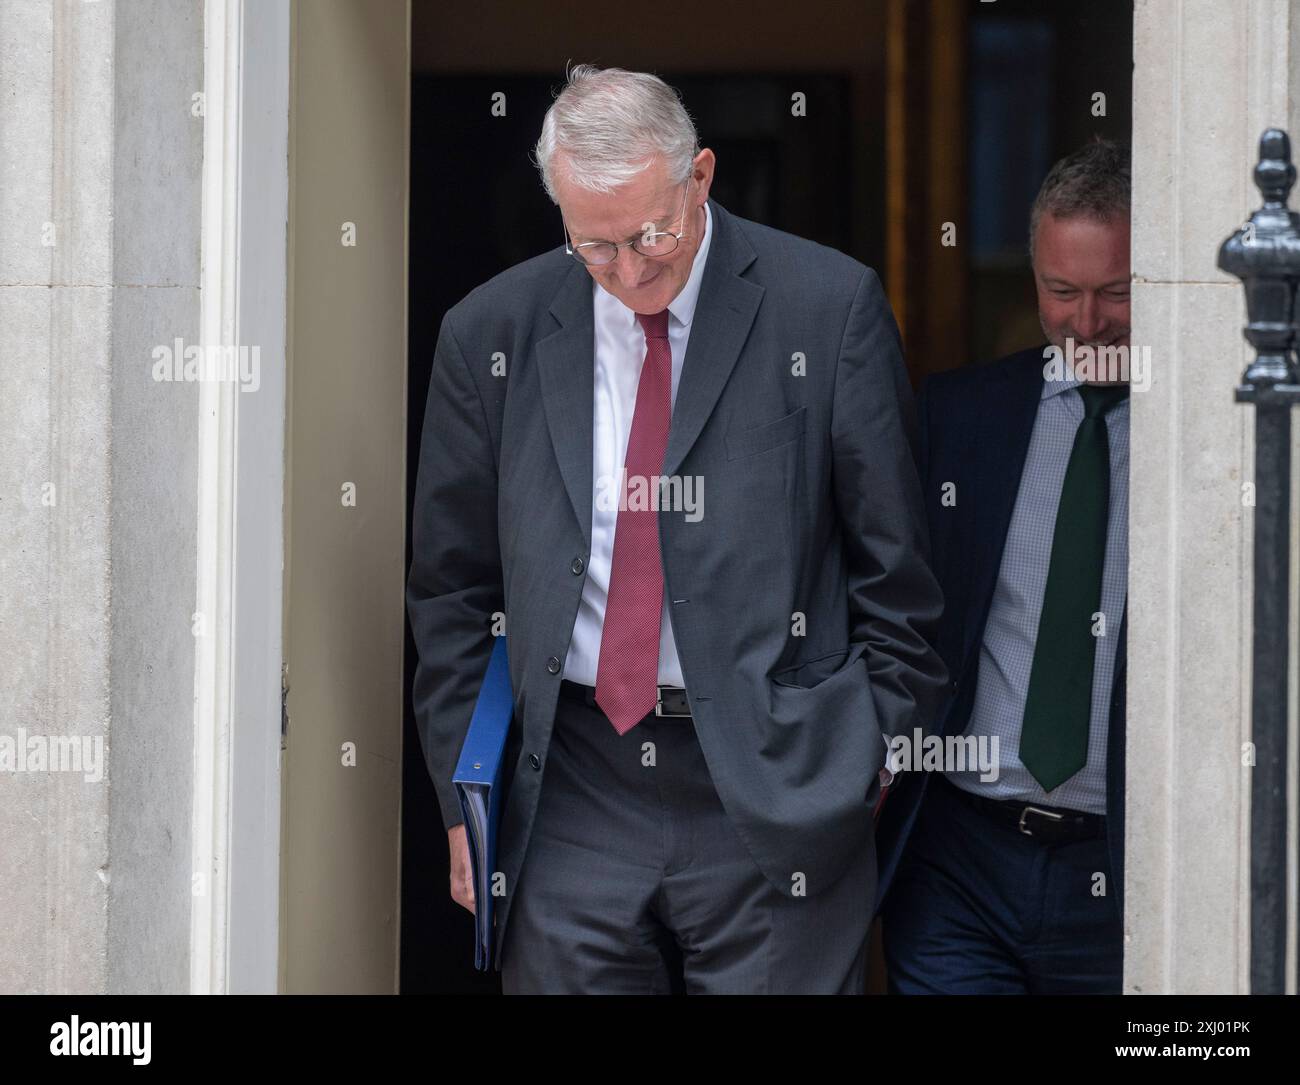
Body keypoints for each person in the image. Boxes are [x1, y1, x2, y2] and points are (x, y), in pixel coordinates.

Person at [407, 64, 947, 994]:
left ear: (700, 177)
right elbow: (452, 590)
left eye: (651, 233)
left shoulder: (828, 306)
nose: (629, 268)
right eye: (596, 247)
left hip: (778, 783)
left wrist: (858, 762)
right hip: (570, 785)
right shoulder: (488, 331)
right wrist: (470, 799)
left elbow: (897, 581)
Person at [877, 138, 1132, 994]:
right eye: (1063, 291)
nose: (1086, 321)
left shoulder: (1214, 437)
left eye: (1116, 293)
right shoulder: (958, 414)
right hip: (960, 861)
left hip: (1129, 867)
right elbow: (884, 599)